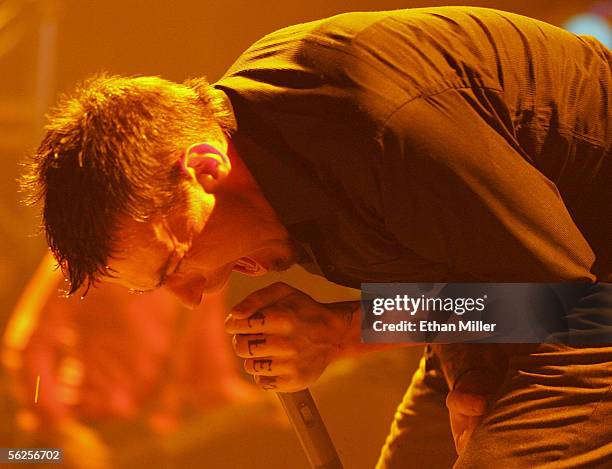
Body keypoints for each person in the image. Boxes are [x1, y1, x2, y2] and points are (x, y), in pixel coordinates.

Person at [23, 6, 611, 468]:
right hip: (534, 289)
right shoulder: (276, 157)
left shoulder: (378, 125)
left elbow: (570, 307)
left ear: (205, 168)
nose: (195, 294)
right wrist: (474, 375)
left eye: (177, 262)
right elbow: (461, 263)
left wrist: (343, 329)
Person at [2, 253, 256, 468]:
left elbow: (212, 379)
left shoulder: (204, 274)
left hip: (152, 445)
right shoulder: (87, 251)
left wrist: (269, 402)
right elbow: (31, 347)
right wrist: (59, 428)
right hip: (82, 431)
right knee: (14, 458)